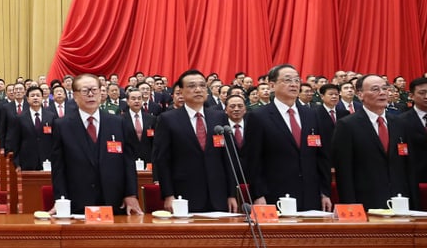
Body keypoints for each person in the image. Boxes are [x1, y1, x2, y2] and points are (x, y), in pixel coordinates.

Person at [243, 65, 331, 212]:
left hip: (311, 195)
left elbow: (321, 157)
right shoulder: (258, 117)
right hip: (275, 195)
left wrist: (324, 192)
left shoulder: (312, 115)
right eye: (288, 80)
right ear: (272, 85)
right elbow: (253, 160)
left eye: (297, 80)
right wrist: (258, 194)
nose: (294, 84)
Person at [51, 73, 141, 215]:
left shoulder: (118, 123)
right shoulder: (62, 125)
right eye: (85, 91)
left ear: (100, 93)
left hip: (115, 201)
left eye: (94, 90)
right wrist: (60, 199)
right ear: (75, 96)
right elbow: (58, 167)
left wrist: (131, 194)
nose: (91, 94)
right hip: (78, 202)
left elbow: (128, 162)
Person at [153, 70, 236, 213]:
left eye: (202, 86)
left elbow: (228, 159)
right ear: (181, 91)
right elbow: (162, 160)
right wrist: (168, 194)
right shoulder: (167, 119)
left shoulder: (219, 117)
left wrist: (231, 194)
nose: (198, 89)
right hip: (183, 194)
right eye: (192, 86)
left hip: (218, 195)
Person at [333, 74, 413, 210]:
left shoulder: (400, 123)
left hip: (400, 201)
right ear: (360, 94)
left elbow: (409, 167)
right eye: (375, 89)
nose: (382, 93)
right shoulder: (347, 125)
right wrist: (350, 206)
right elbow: (344, 172)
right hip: (366, 202)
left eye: (385, 88)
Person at [6, 84, 56, 170]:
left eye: (38, 95)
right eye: (32, 96)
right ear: (28, 99)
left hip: (48, 160)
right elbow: (14, 142)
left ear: (42, 98)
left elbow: (56, 140)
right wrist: (17, 163)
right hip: (27, 161)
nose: (35, 98)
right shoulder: (19, 118)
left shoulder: (51, 116)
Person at [399, 77, 427, 193]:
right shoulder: (401, 121)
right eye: (422, 93)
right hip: (414, 178)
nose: (426, 96)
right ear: (411, 95)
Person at [122, 88, 154, 164]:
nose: (137, 101)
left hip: (148, 159)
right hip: (128, 159)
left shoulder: (152, 119)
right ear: (127, 101)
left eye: (139, 98)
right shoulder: (120, 119)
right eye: (133, 99)